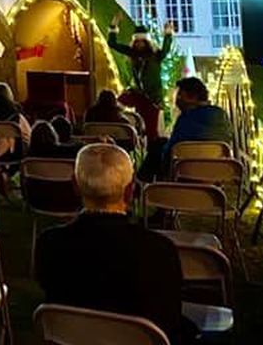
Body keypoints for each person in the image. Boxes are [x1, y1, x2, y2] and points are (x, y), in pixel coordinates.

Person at [34, 143, 187, 344]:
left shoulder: (49, 243)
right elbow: (170, 317)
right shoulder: (159, 250)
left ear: (74, 185)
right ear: (130, 190)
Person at [164, 76, 234, 157]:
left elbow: (169, 153)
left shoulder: (185, 120)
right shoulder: (221, 115)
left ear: (191, 97)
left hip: (187, 168)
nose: (177, 99)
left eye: (180, 94)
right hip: (219, 167)